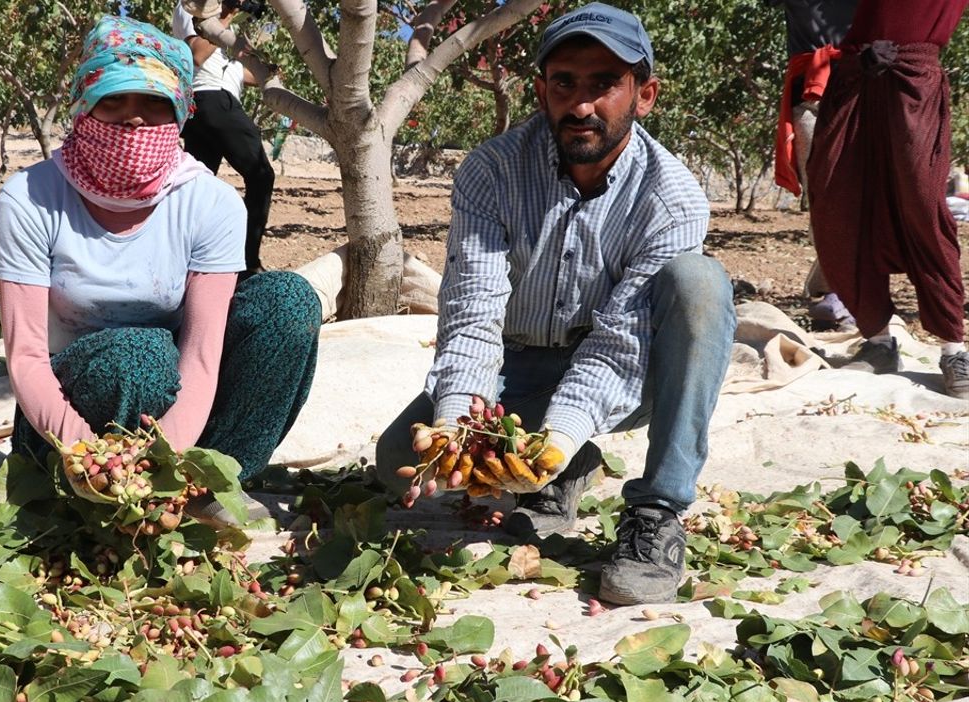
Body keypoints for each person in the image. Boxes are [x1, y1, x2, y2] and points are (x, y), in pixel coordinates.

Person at [376, 3, 736, 606]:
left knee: (700, 284)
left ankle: (657, 512)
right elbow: (473, 310)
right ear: (541, 90)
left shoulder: (672, 196)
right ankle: (567, 468)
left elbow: (621, 341)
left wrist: (560, 432)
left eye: (604, 85)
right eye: (565, 83)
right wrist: (457, 424)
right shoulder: (491, 170)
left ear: (644, 96)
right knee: (398, 463)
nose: (582, 104)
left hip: (634, 367)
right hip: (517, 365)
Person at [0, 16, 321, 526]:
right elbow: (28, 355)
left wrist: (164, 463)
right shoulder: (30, 198)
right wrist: (86, 456)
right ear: (85, 105)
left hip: (176, 407)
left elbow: (201, 355)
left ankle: (204, 488)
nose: (133, 118)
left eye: (153, 102)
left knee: (289, 303)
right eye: (113, 100)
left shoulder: (210, 204)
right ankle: (84, 495)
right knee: (139, 354)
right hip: (64, 417)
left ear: (179, 111)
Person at [805, 0, 968, 399]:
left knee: (922, 207)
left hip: (913, 78)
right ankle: (878, 341)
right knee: (838, 203)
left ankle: (954, 350)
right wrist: (854, 58)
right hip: (855, 75)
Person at [766, 0, 860, 331]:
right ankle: (834, 289)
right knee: (823, 197)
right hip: (809, 94)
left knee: (854, 194)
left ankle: (840, 290)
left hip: (858, 87)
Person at [172, 0, 275, 275]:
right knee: (261, 176)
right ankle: (247, 263)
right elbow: (197, 54)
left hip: (204, 109)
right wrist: (226, 15)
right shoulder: (191, 9)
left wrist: (270, 71)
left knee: (196, 187)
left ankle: (187, 261)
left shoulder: (225, 53)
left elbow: (242, 73)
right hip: (212, 99)